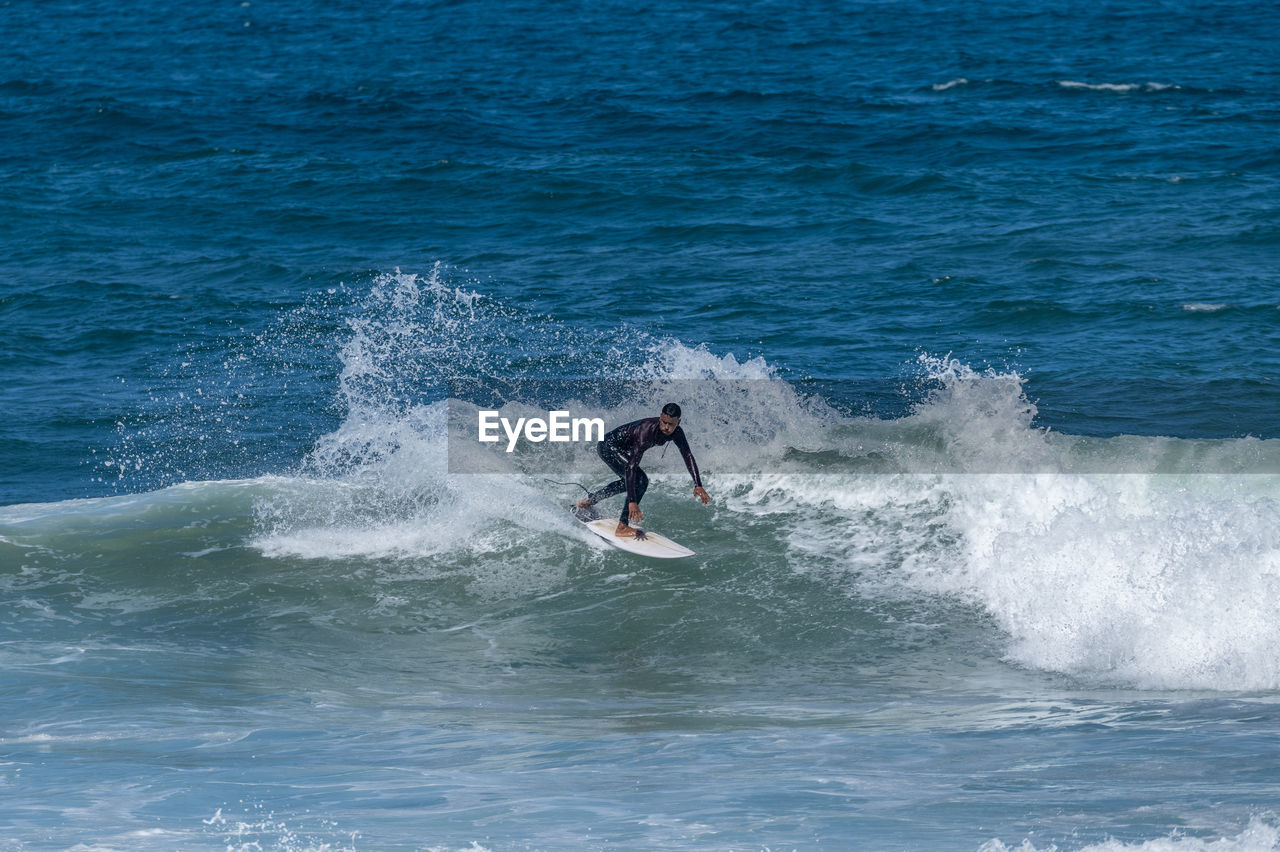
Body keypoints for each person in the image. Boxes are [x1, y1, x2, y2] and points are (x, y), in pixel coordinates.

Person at [576, 402, 710, 538]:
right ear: (660, 417)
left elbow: (687, 455)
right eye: (664, 422)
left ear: (678, 422)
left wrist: (698, 484)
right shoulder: (646, 432)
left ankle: (590, 501)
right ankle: (622, 526)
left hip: (620, 449)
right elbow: (631, 467)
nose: (666, 427)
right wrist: (632, 502)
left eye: (671, 424)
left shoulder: (677, 433)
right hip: (608, 446)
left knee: (628, 483)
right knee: (640, 480)